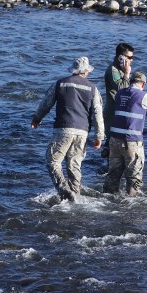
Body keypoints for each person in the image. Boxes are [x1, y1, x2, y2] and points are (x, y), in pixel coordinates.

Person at [31, 57, 104, 201]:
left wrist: (37, 118)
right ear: (86, 72)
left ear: (73, 70)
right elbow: (98, 113)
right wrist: (99, 136)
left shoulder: (60, 84)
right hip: (82, 131)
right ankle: (75, 195)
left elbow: (46, 104)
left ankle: (64, 190)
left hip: (63, 129)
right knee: (75, 164)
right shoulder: (93, 88)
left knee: (52, 160)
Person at [103, 72, 147, 196]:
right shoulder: (144, 95)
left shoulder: (119, 93)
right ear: (143, 84)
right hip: (132, 141)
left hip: (114, 139)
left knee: (113, 174)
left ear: (131, 81)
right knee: (134, 177)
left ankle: (108, 198)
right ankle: (131, 203)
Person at [101, 42, 134, 166]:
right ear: (120, 57)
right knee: (113, 142)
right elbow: (122, 88)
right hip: (112, 113)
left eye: (132, 58)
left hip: (119, 112)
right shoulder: (113, 70)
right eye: (129, 58)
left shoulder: (119, 69)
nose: (131, 60)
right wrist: (127, 73)